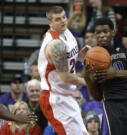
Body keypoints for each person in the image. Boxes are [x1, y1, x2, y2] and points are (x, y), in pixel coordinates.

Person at [83, 17, 127, 135]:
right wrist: (87, 78)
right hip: (112, 103)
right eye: (98, 32)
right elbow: (97, 96)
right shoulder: (93, 57)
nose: (102, 35)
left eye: (105, 31)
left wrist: (116, 73)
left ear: (113, 32)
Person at [38, 6, 88, 135]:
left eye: (64, 17)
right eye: (57, 19)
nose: (63, 21)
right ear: (50, 22)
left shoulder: (66, 32)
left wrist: (79, 57)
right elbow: (65, 77)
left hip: (66, 95)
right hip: (55, 97)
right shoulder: (55, 44)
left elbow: (67, 62)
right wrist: (89, 82)